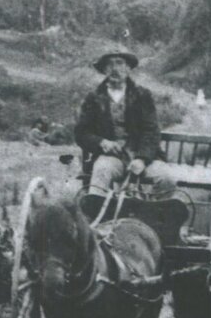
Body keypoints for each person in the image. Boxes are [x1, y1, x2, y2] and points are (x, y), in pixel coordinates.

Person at [74, 49, 172, 219]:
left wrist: (142, 158)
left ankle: (159, 222)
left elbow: (152, 130)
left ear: (128, 68)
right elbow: (82, 132)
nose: (115, 69)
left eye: (119, 63)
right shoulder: (94, 98)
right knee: (101, 171)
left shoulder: (142, 95)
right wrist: (101, 142)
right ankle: (98, 224)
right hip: (112, 157)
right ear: (104, 70)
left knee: (166, 178)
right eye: (109, 64)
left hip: (143, 157)